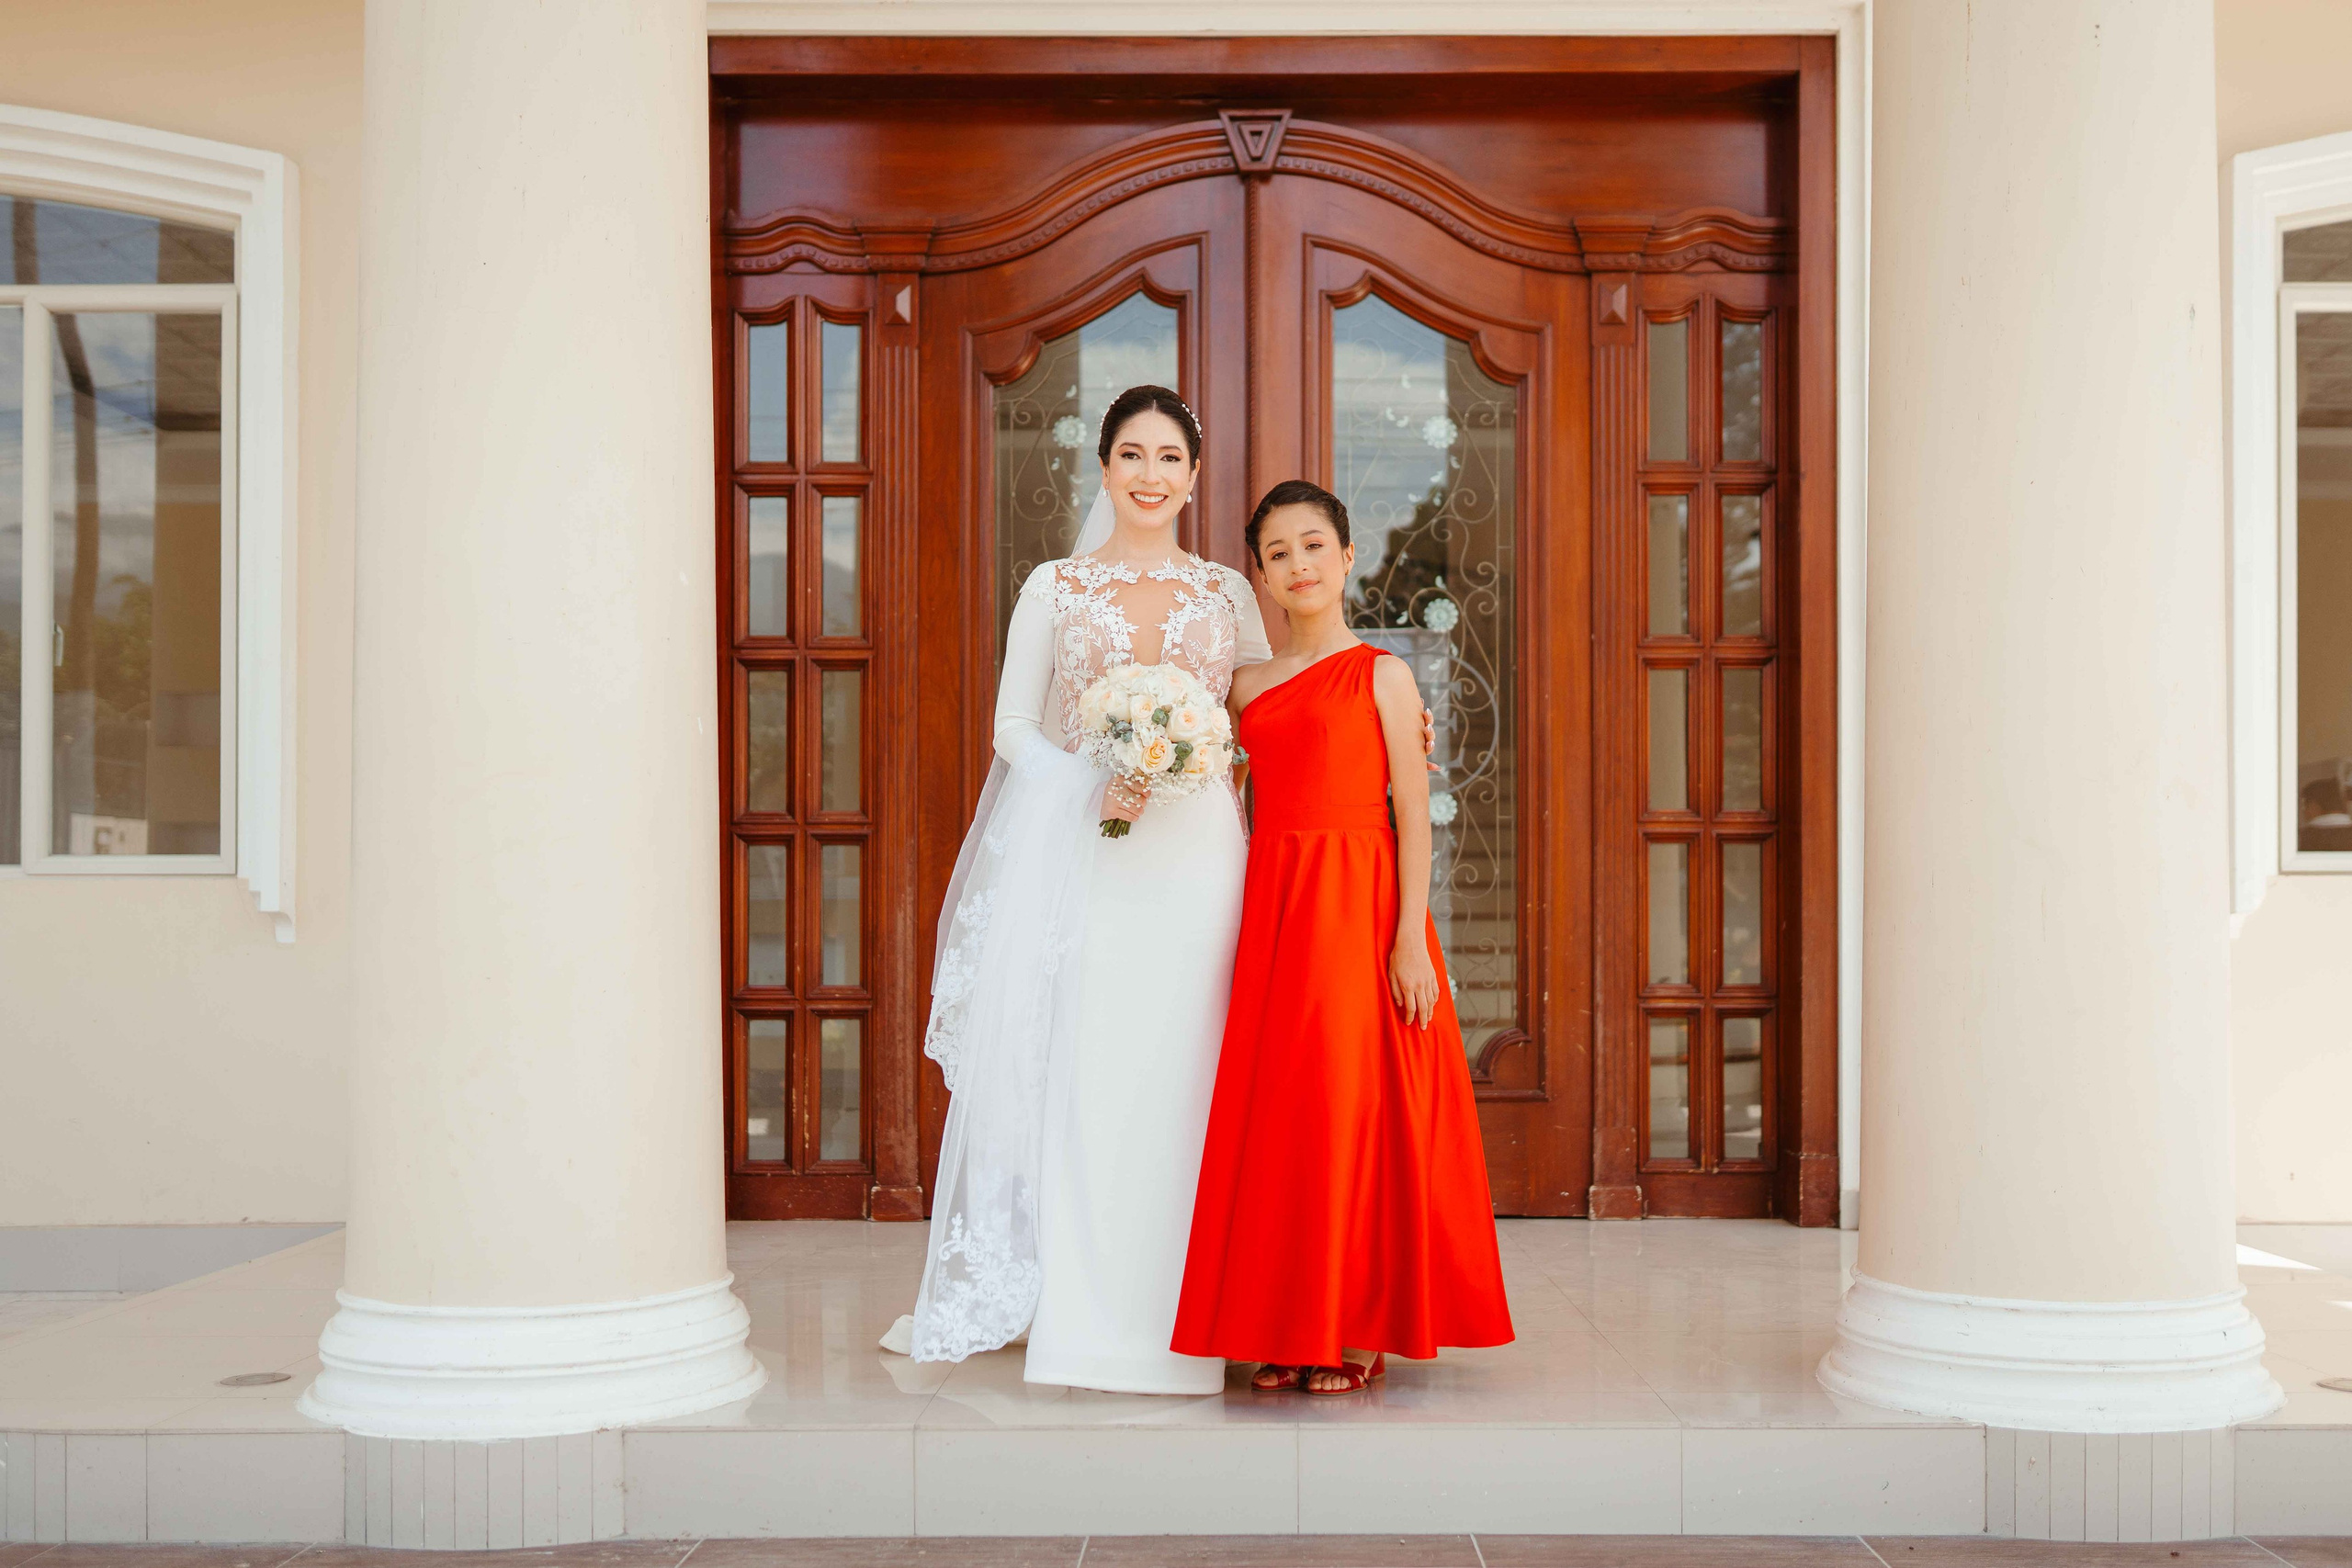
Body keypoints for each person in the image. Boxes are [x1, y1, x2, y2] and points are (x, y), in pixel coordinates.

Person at [884, 386, 1266, 1394]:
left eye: (1168, 458)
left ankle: (1198, 1300)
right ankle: (1091, 1312)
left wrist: (1388, 723)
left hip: (1200, 861)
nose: (1149, 474)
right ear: (1103, 468)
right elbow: (1012, 726)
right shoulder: (1054, 587)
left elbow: (1267, 712)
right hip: (1090, 852)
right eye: (1130, 454)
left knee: (1190, 1067)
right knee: (1096, 1062)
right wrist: (1093, 774)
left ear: (1193, 477)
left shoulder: (1227, 591)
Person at [1172, 479, 1515, 1394]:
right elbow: (1205, 788)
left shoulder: (1384, 674)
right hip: (1275, 908)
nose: (1298, 565)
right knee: (1285, 1118)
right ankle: (1286, 1324)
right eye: (1278, 553)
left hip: (1359, 907)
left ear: (1347, 556)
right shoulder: (1243, 687)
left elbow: (1413, 816)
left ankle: (1353, 1324)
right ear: (1260, 575)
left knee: (1350, 1111)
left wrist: (1410, 940)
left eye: (1313, 545)